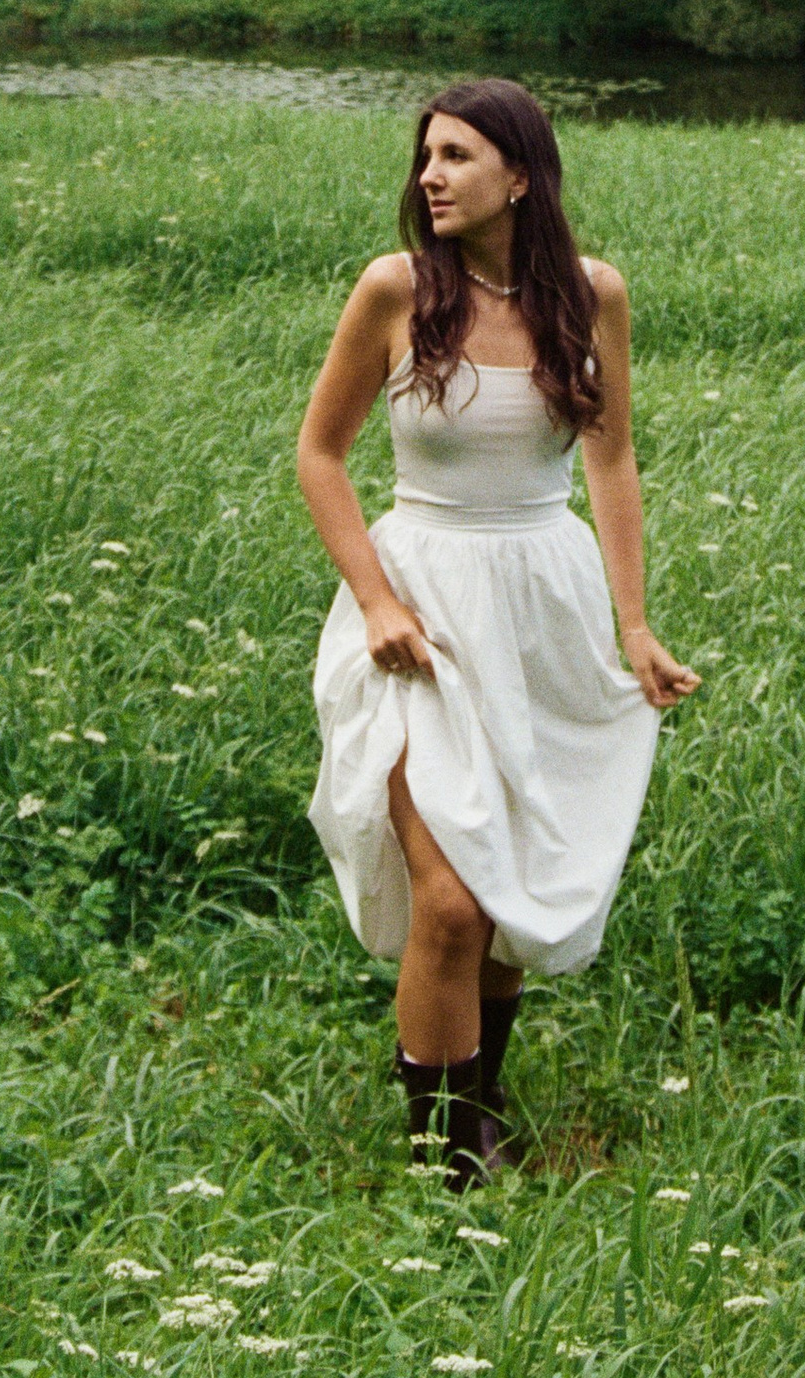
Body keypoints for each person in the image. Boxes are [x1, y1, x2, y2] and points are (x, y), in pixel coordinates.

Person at [297, 77, 698, 1185]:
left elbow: (610, 460)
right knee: (449, 898)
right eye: (426, 155)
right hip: (421, 610)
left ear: (520, 175)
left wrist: (635, 627)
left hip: (543, 608)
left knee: (506, 882)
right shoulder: (393, 290)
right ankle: (441, 1159)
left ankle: (477, 1106)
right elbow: (318, 456)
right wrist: (377, 599)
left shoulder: (592, 294)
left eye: (457, 156)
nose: (429, 175)